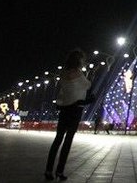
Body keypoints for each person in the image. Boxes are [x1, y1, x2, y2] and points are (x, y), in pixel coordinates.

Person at [45, 49, 93, 181]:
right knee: (67, 141)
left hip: (64, 109)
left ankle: (48, 170)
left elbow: (65, 92)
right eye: (83, 59)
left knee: (57, 140)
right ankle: (60, 171)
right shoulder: (78, 73)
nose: (84, 61)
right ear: (79, 60)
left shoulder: (63, 73)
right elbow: (87, 86)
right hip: (75, 109)